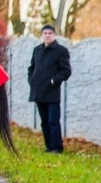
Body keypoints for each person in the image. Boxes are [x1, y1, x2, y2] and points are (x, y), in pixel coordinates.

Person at [28, 24, 71, 153]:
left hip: (52, 92)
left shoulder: (61, 51)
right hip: (39, 92)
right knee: (44, 122)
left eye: (50, 33)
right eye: (45, 33)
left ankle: (57, 147)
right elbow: (32, 68)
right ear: (42, 35)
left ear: (54, 35)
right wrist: (32, 80)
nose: (47, 35)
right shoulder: (37, 50)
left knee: (53, 121)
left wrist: (53, 81)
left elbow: (66, 71)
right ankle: (49, 146)